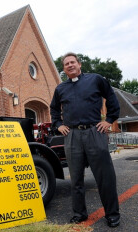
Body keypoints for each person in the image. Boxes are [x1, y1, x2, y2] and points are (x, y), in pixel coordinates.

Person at [50, 52, 120, 227]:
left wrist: (109, 120)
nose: (70, 65)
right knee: (76, 179)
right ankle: (79, 214)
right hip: (72, 135)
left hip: (94, 131)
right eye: (66, 64)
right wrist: (58, 124)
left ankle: (112, 214)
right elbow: (53, 109)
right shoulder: (60, 89)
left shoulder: (95, 79)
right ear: (64, 69)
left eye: (72, 62)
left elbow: (111, 98)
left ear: (79, 64)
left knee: (105, 177)